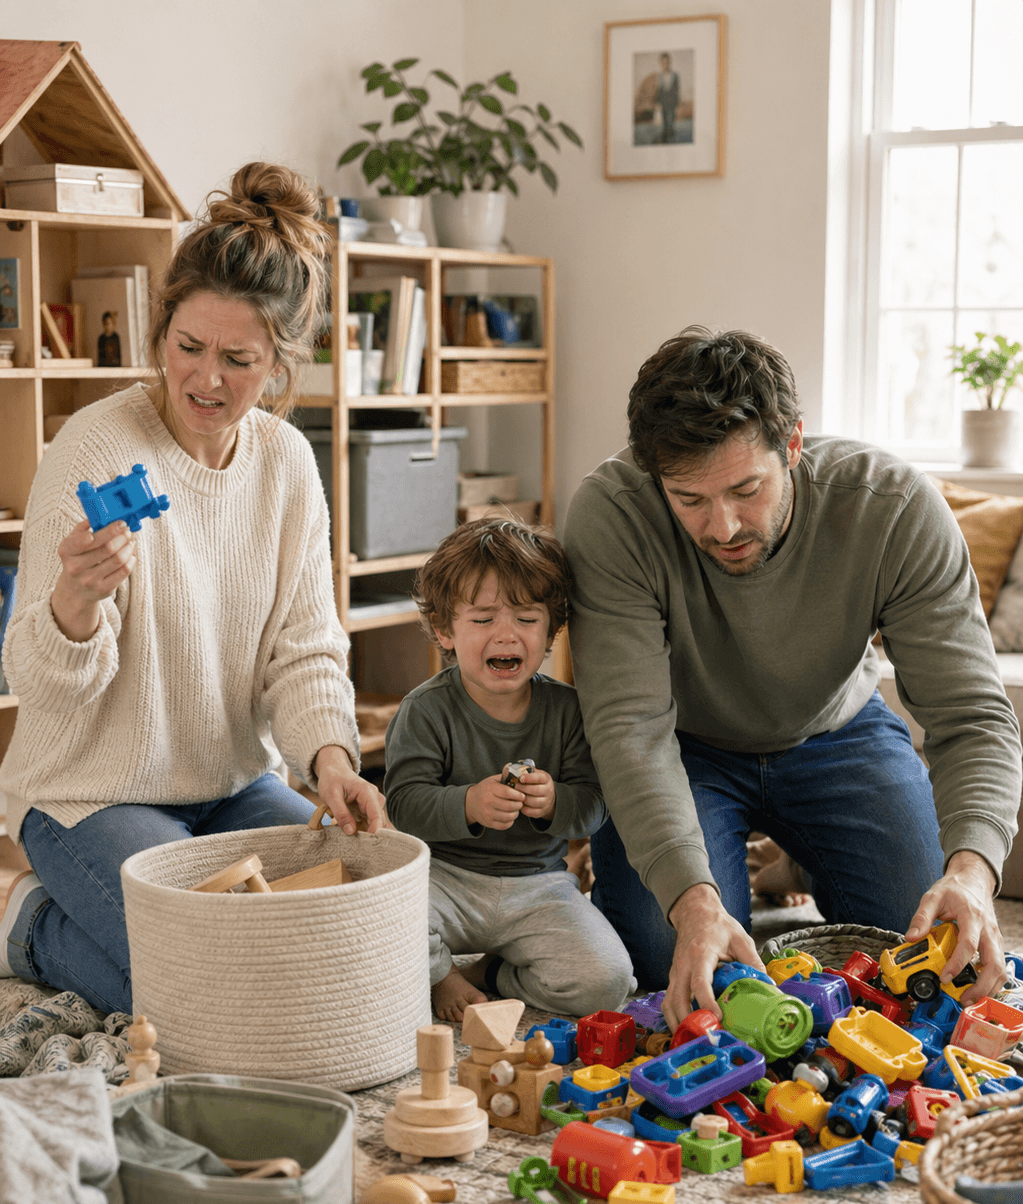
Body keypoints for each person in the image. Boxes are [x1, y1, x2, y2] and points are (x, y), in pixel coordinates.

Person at [0, 161, 385, 1016]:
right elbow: (33, 679)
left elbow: (306, 645)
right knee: (205, 989)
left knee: (337, 947)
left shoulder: (287, 464)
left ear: (281, 364)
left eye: (237, 359)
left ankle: (77, 926)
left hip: (234, 784)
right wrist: (73, 608)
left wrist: (328, 758)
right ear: (160, 331)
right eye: (188, 347)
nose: (206, 379)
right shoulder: (93, 449)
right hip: (90, 789)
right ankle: (27, 924)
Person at [562, 325, 1022, 1029]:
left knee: (929, 943)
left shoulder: (892, 507)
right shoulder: (612, 514)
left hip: (836, 731)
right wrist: (692, 899)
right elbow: (627, 730)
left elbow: (971, 715)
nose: (722, 526)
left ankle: (798, 860)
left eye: (746, 489)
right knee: (669, 959)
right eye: (689, 499)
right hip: (684, 748)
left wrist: (971, 871)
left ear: (794, 445)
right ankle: (748, 865)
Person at [384, 517, 635, 1022]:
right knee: (378, 922)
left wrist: (555, 803)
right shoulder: (426, 708)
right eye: (482, 620)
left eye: (526, 618)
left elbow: (593, 808)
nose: (506, 634)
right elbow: (404, 804)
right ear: (443, 630)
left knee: (608, 980)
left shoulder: (568, 711)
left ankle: (493, 974)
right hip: (444, 879)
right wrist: (468, 804)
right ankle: (442, 976)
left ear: (552, 631)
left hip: (538, 887)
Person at [655, 53, 680, 144]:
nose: (665, 65)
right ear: (661, 64)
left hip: (672, 104)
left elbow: (677, 90)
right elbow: (659, 91)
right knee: (665, 124)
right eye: (663, 63)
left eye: (667, 62)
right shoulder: (660, 76)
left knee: (671, 123)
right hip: (663, 103)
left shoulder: (675, 75)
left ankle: (671, 140)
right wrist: (657, 103)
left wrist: (677, 104)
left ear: (670, 62)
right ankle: (665, 141)